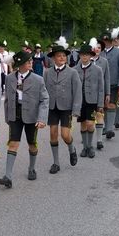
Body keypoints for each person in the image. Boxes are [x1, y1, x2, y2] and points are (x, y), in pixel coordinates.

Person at [0, 50, 48, 187]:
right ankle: (7, 176)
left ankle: (32, 168)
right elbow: (7, 99)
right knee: (13, 143)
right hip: (15, 114)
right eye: (28, 62)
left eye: (31, 61)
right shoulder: (9, 78)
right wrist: (8, 116)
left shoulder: (38, 80)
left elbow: (45, 99)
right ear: (20, 64)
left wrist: (42, 118)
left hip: (32, 116)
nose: (31, 63)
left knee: (32, 143)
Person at [43, 37, 82, 174]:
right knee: (53, 133)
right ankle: (56, 163)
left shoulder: (72, 72)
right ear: (53, 58)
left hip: (66, 107)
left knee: (65, 135)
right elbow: (43, 91)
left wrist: (76, 109)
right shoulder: (47, 72)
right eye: (59, 56)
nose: (62, 58)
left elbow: (77, 92)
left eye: (64, 55)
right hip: (52, 107)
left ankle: (72, 149)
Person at [74, 43, 104, 158]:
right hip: (80, 101)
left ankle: (90, 145)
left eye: (86, 55)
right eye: (82, 55)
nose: (84, 57)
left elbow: (101, 88)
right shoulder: (75, 70)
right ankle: (85, 147)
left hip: (92, 101)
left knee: (90, 123)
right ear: (80, 56)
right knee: (82, 124)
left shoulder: (97, 70)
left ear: (90, 56)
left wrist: (100, 104)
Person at [100, 29, 119, 140]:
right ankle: (105, 126)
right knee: (103, 107)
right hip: (100, 85)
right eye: (104, 41)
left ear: (112, 41)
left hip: (114, 84)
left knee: (111, 104)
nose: (106, 42)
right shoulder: (99, 52)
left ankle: (109, 129)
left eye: (108, 41)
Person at [91, 38, 110, 151]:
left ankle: (99, 140)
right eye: (95, 47)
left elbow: (107, 78)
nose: (97, 49)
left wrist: (107, 93)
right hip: (86, 92)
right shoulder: (84, 60)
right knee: (86, 117)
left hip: (99, 91)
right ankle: (87, 137)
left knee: (99, 114)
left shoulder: (104, 61)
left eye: (99, 48)